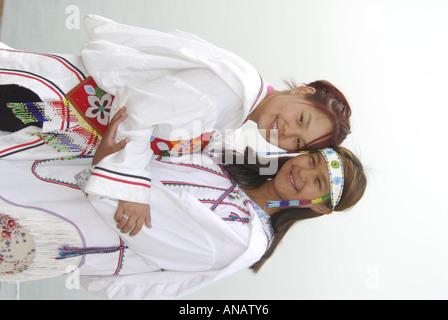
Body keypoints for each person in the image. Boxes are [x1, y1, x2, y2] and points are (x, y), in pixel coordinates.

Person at [0, 14, 352, 233]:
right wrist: (132, 191)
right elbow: (139, 111)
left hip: (67, 115)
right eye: (301, 118)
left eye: (297, 143)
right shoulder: (229, 93)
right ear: (303, 91)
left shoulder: (240, 104)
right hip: (56, 104)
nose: (286, 132)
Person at [0, 110, 366, 299]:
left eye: (318, 182)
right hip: (53, 170)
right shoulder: (229, 160)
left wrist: (112, 169)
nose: (302, 172)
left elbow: (145, 225)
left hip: (54, 232)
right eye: (312, 160)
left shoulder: (243, 239)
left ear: (319, 207)